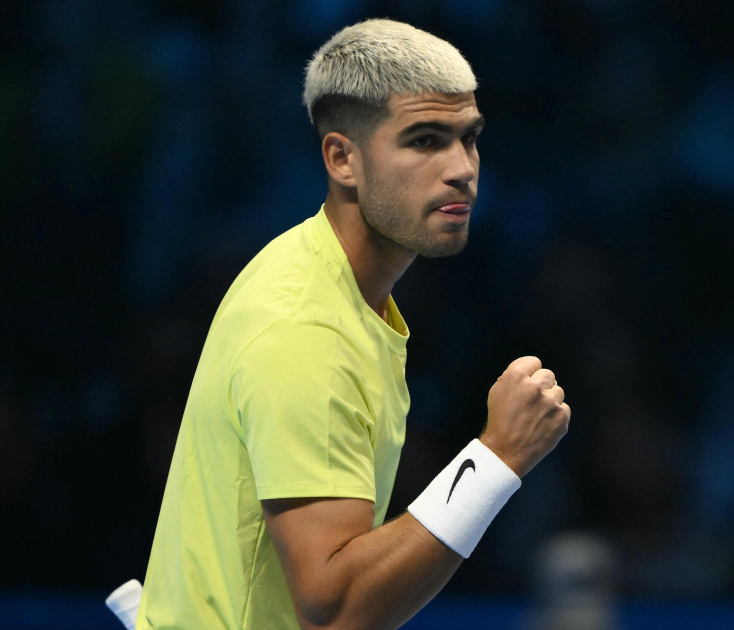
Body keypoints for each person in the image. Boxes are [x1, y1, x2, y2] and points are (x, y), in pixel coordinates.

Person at [135, 18, 571, 630]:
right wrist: (498, 458)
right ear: (343, 158)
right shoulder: (306, 330)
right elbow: (336, 608)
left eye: (468, 138)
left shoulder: (325, 283)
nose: (462, 168)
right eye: (423, 140)